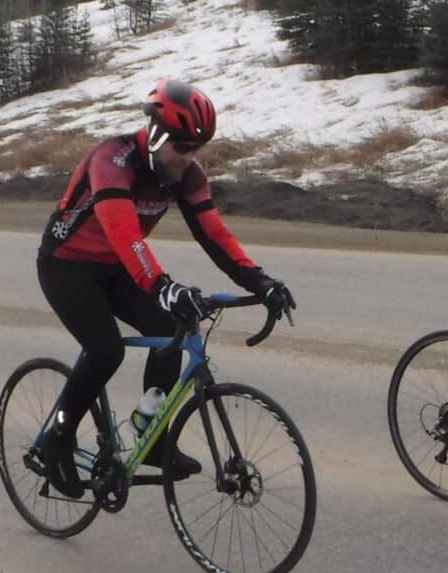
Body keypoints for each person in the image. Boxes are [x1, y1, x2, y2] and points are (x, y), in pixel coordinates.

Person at [36, 78, 295, 498]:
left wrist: (260, 281)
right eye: (182, 147)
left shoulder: (185, 176)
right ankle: (58, 439)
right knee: (106, 350)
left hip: (116, 268)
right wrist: (162, 286)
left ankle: (153, 439)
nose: (189, 158)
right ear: (155, 134)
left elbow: (215, 235)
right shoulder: (112, 160)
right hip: (66, 266)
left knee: (171, 329)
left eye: (196, 149)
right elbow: (124, 234)